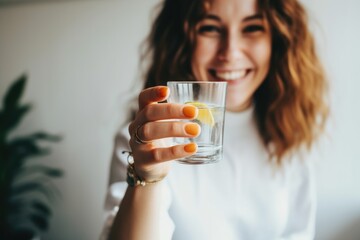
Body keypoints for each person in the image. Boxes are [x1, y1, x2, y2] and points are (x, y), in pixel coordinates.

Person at [101, 0, 328, 239]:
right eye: (210, 28)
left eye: (252, 28)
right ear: (181, 40)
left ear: (278, 41)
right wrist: (147, 178)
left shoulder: (292, 134)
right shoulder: (146, 142)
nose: (230, 52)